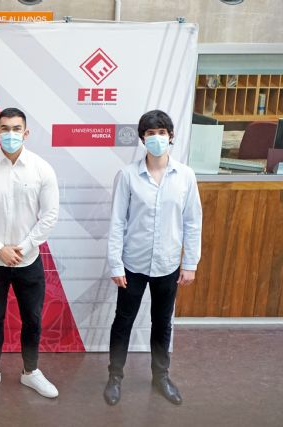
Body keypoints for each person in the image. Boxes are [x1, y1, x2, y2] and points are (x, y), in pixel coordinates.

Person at [104, 110, 202, 406]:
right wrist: (115, 263)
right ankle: (115, 377)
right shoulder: (128, 175)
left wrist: (190, 263)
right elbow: (117, 222)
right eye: (150, 133)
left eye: (161, 132)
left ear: (171, 136)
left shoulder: (185, 176)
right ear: (142, 139)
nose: (156, 138)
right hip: (132, 264)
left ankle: (161, 377)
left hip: (167, 264)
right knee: (123, 322)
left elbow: (192, 222)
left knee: (162, 323)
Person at [0, 107, 60, 400]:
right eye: (5, 129)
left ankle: (31, 371)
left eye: (16, 129)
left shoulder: (42, 169)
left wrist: (24, 247)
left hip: (28, 260)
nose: (10, 134)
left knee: (33, 318)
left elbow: (50, 215)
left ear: (26, 133)